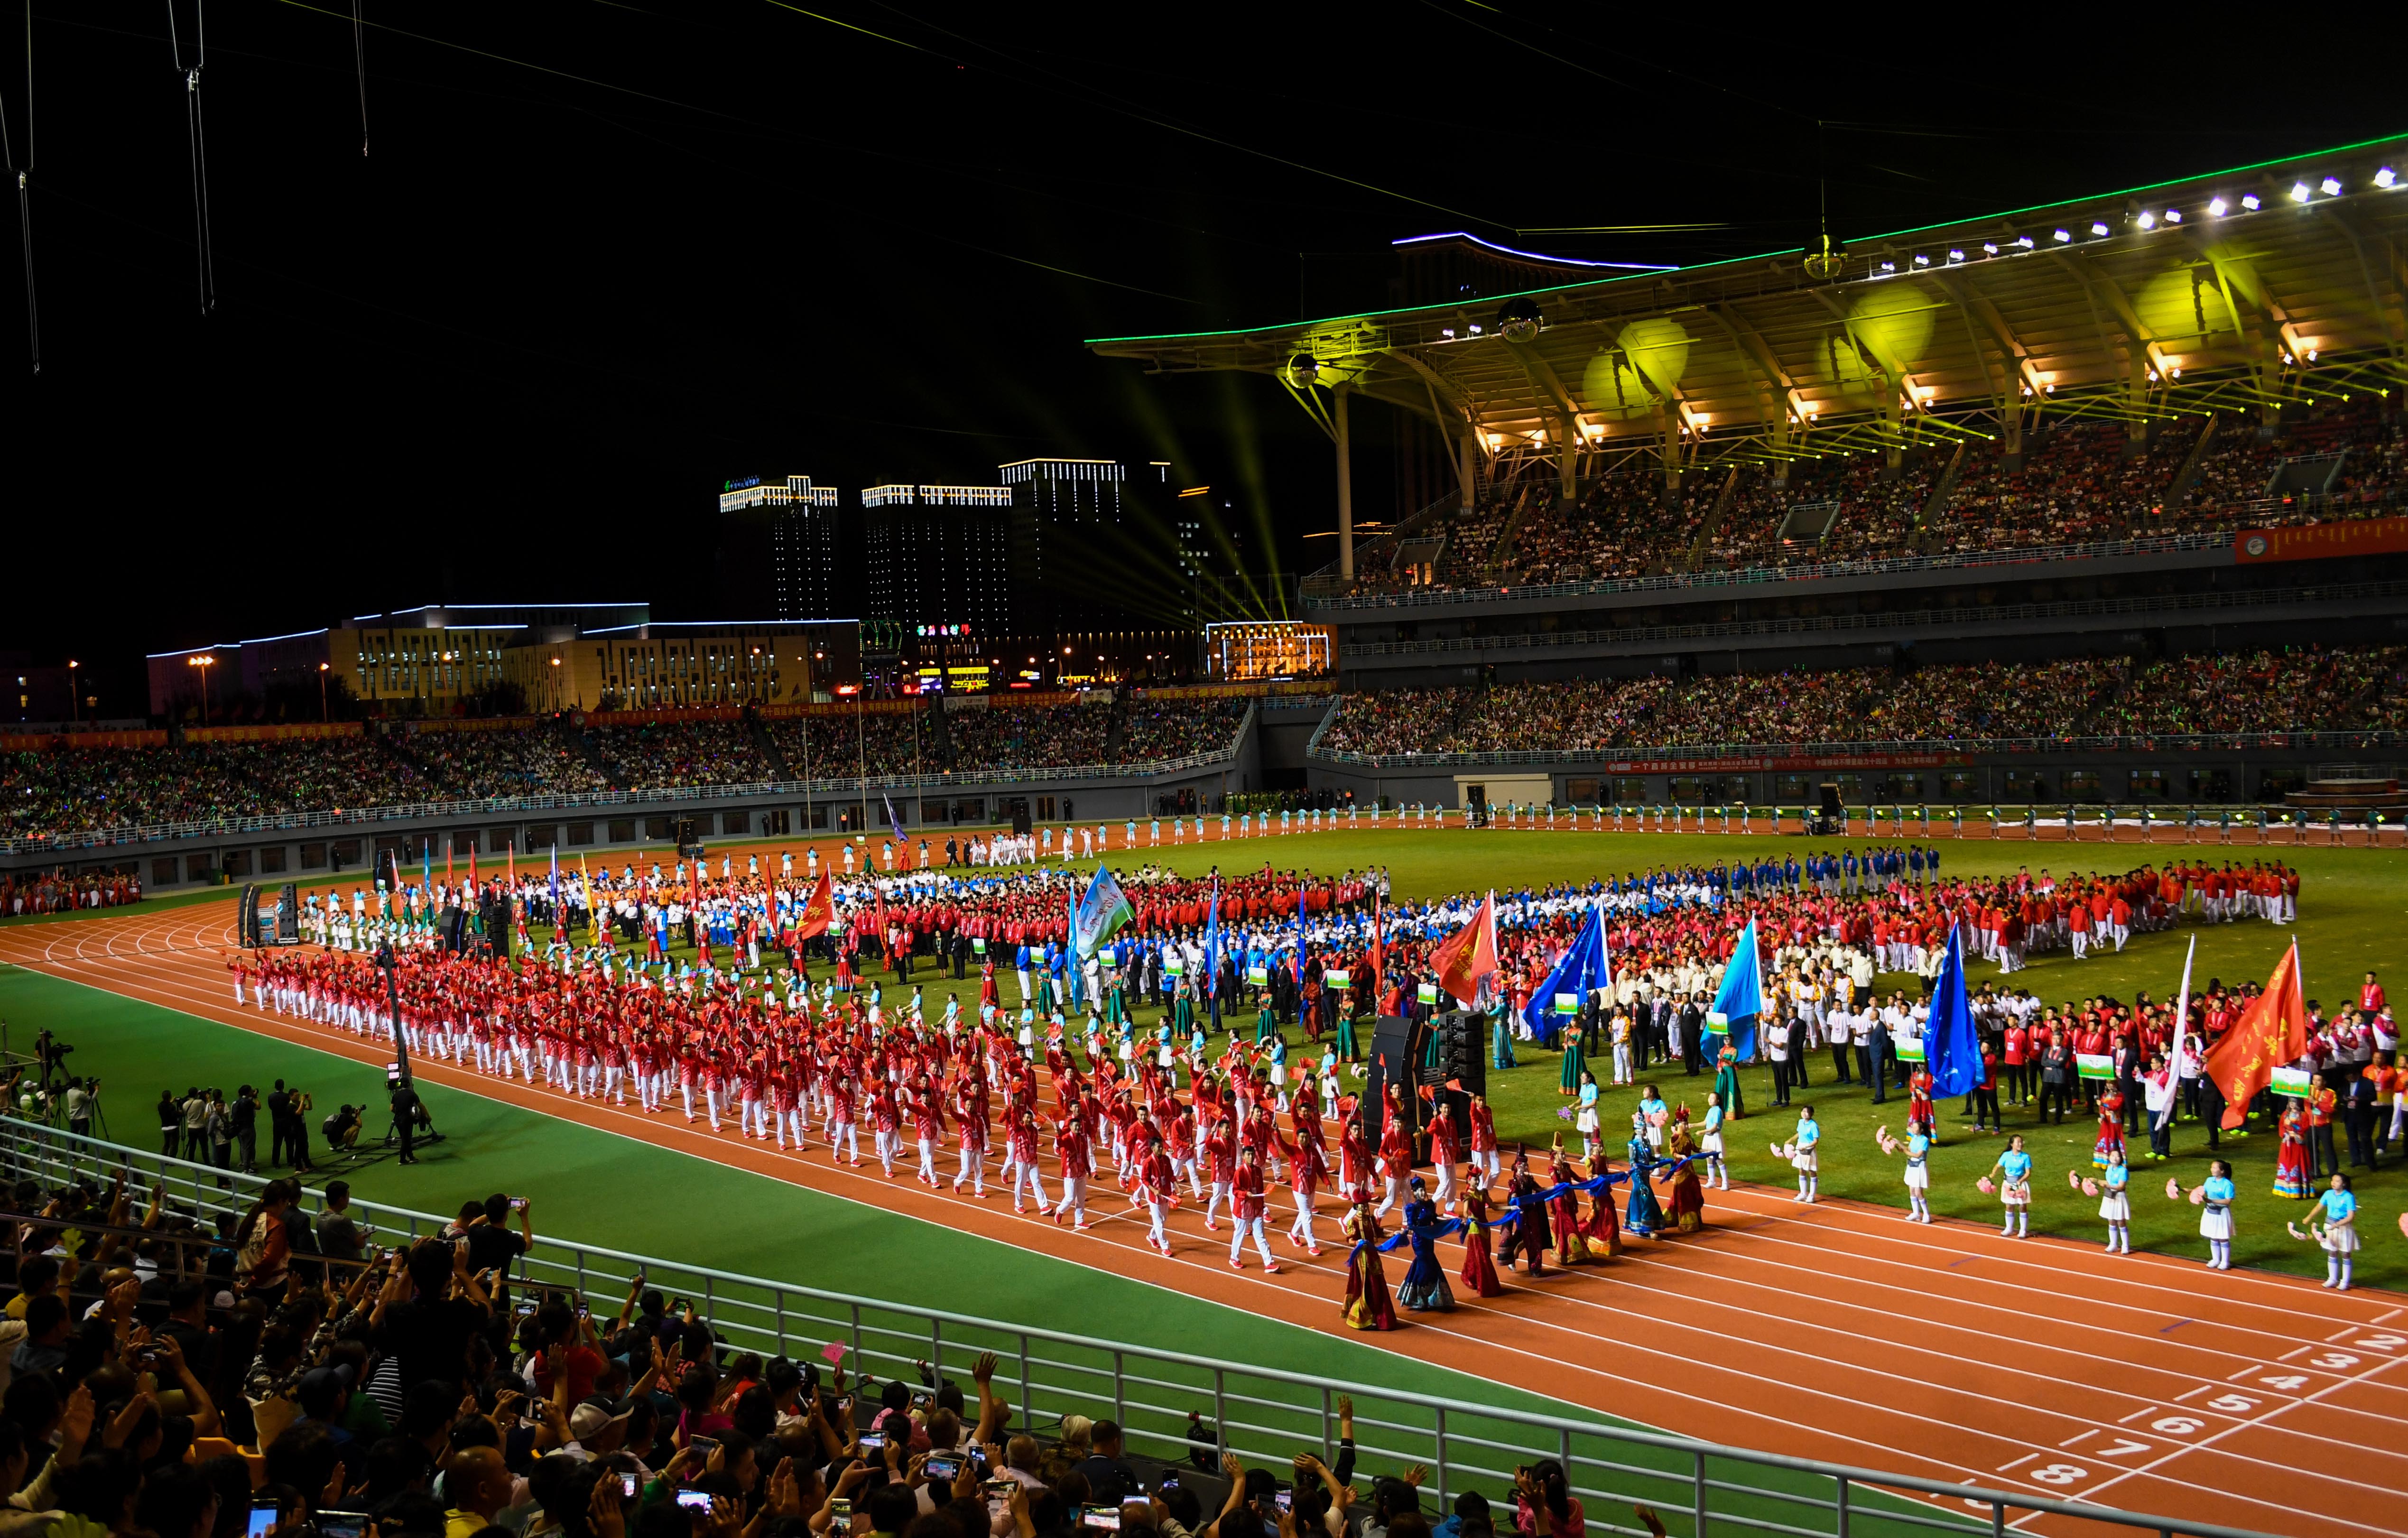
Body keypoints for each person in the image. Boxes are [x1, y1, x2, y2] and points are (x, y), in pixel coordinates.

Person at [1391, 1179, 1454, 1313]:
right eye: (1420, 1190)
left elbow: (1435, 1221)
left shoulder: (1431, 1204)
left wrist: (1453, 1223)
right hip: (1419, 1241)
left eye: (1424, 1189)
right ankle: (1420, 1298)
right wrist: (1401, 1233)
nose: (1423, 1192)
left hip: (1429, 1239)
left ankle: (1428, 1298)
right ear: (1414, 1192)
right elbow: (1410, 1226)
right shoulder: (1412, 1208)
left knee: (1427, 1264)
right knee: (1424, 1266)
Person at [1339, 1201, 1398, 1331]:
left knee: (1378, 1285)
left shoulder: (1371, 1220)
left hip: (1373, 1256)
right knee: (1365, 1287)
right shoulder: (1353, 1222)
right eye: (1363, 1206)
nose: (1366, 1208)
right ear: (1357, 1207)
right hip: (1362, 1258)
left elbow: (1380, 1233)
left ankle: (1379, 1316)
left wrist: (1394, 1234)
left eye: (1366, 1205)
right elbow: (1350, 1240)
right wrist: (1358, 1242)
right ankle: (1362, 1316)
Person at [2306, 1173, 2358, 1290]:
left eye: (2337, 1181)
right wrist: (2309, 1217)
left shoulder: (2348, 1197)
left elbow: (2351, 1217)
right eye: (2333, 1181)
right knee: (2332, 1251)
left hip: (2343, 1227)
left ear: (2344, 1184)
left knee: (2345, 1253)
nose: (2334, 1183)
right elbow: (2319, 1207)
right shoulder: (2328, 1194)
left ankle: (2345, 1281)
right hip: (2330, 1226)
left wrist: (2337, 1224)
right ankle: (2332, 1279)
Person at [1984, 1134, 2033, 1238]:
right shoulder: (2006, 1155)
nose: (2021, 1144)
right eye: (2018, 1142)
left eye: (2021, 1142)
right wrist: (1992, 1175)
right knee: (2009, 1206)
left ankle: (2023, 1230)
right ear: (2012, 1144)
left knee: (2022, 1207)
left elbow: (2028, 1173)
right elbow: (1998, 1166)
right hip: (2008, 1184)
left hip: (2021, 1184)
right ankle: (2009, 1228)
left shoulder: (2025, 1157)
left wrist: (2020, 1181)